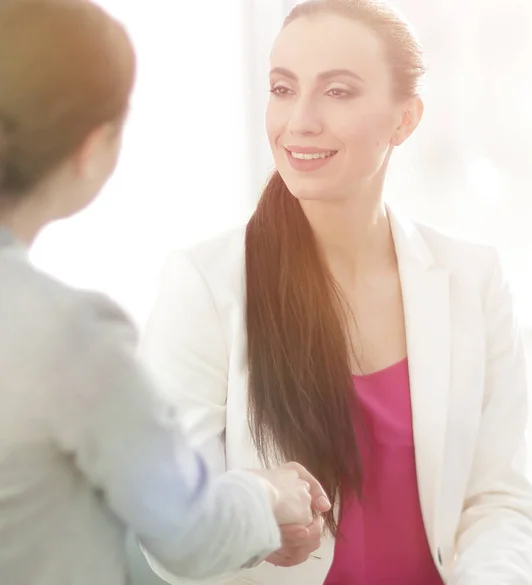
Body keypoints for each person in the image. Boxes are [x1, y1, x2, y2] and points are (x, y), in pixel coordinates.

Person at [140, 0, 532, 584]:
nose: (299, 119)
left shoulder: (473, 279)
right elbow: (170, 534)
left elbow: (499, 500)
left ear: (404, 119)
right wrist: (256, 506)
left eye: (338, 92)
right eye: (283, 88)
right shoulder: (205, 284)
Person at [0, 2, 331, 585]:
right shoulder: (68, 338)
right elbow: (188, 533)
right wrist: (268, 494)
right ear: (91, 148)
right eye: (282, 88)